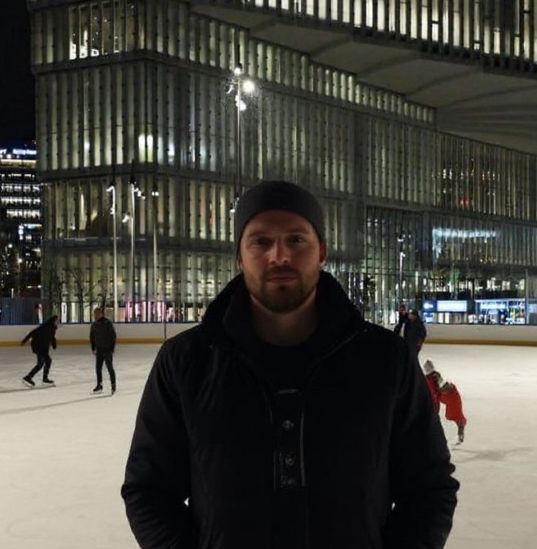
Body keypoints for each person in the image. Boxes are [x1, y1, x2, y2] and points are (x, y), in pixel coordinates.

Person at [122, 180, 458, 548]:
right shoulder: (186, 362)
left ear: (322, 252)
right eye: (261, 241)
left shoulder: (385, 359)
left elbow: (429, 488)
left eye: (296, 240)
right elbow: (149, 490)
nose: (279, 256)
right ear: (239, 257)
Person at [422, 359, 467, 444]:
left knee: (454, 415)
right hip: (443, 396)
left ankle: (459, 433)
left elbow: (439, 392)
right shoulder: (430, 379)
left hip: (449, 396)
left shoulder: (438, 379)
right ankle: (438, 437)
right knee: (436, 417)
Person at [21, 314, 59, 387]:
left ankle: (45, 379)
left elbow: (52, 337)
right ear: (53, 320)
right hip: (38, 346)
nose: (58, 322)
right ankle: (28, 377)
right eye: (57, 320)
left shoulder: (53, 328)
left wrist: (54, 343)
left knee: (48, 361)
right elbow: (32, 333)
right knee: (41, 363)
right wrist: (24, 341)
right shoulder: (45, 326)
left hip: (44, 348)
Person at [89, 306, 117, 394]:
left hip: (107, 349)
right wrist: (93, 348)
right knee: (98, 368)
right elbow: (92, 337)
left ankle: (113, 385)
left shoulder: (107, 323)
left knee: (110, 368)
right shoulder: (94, 325)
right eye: (94, 314)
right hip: (99, 349)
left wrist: (112, 348)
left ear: (101, 314)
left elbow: (113, 336)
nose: (95, 316)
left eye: (97, 314)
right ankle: (99, 385)